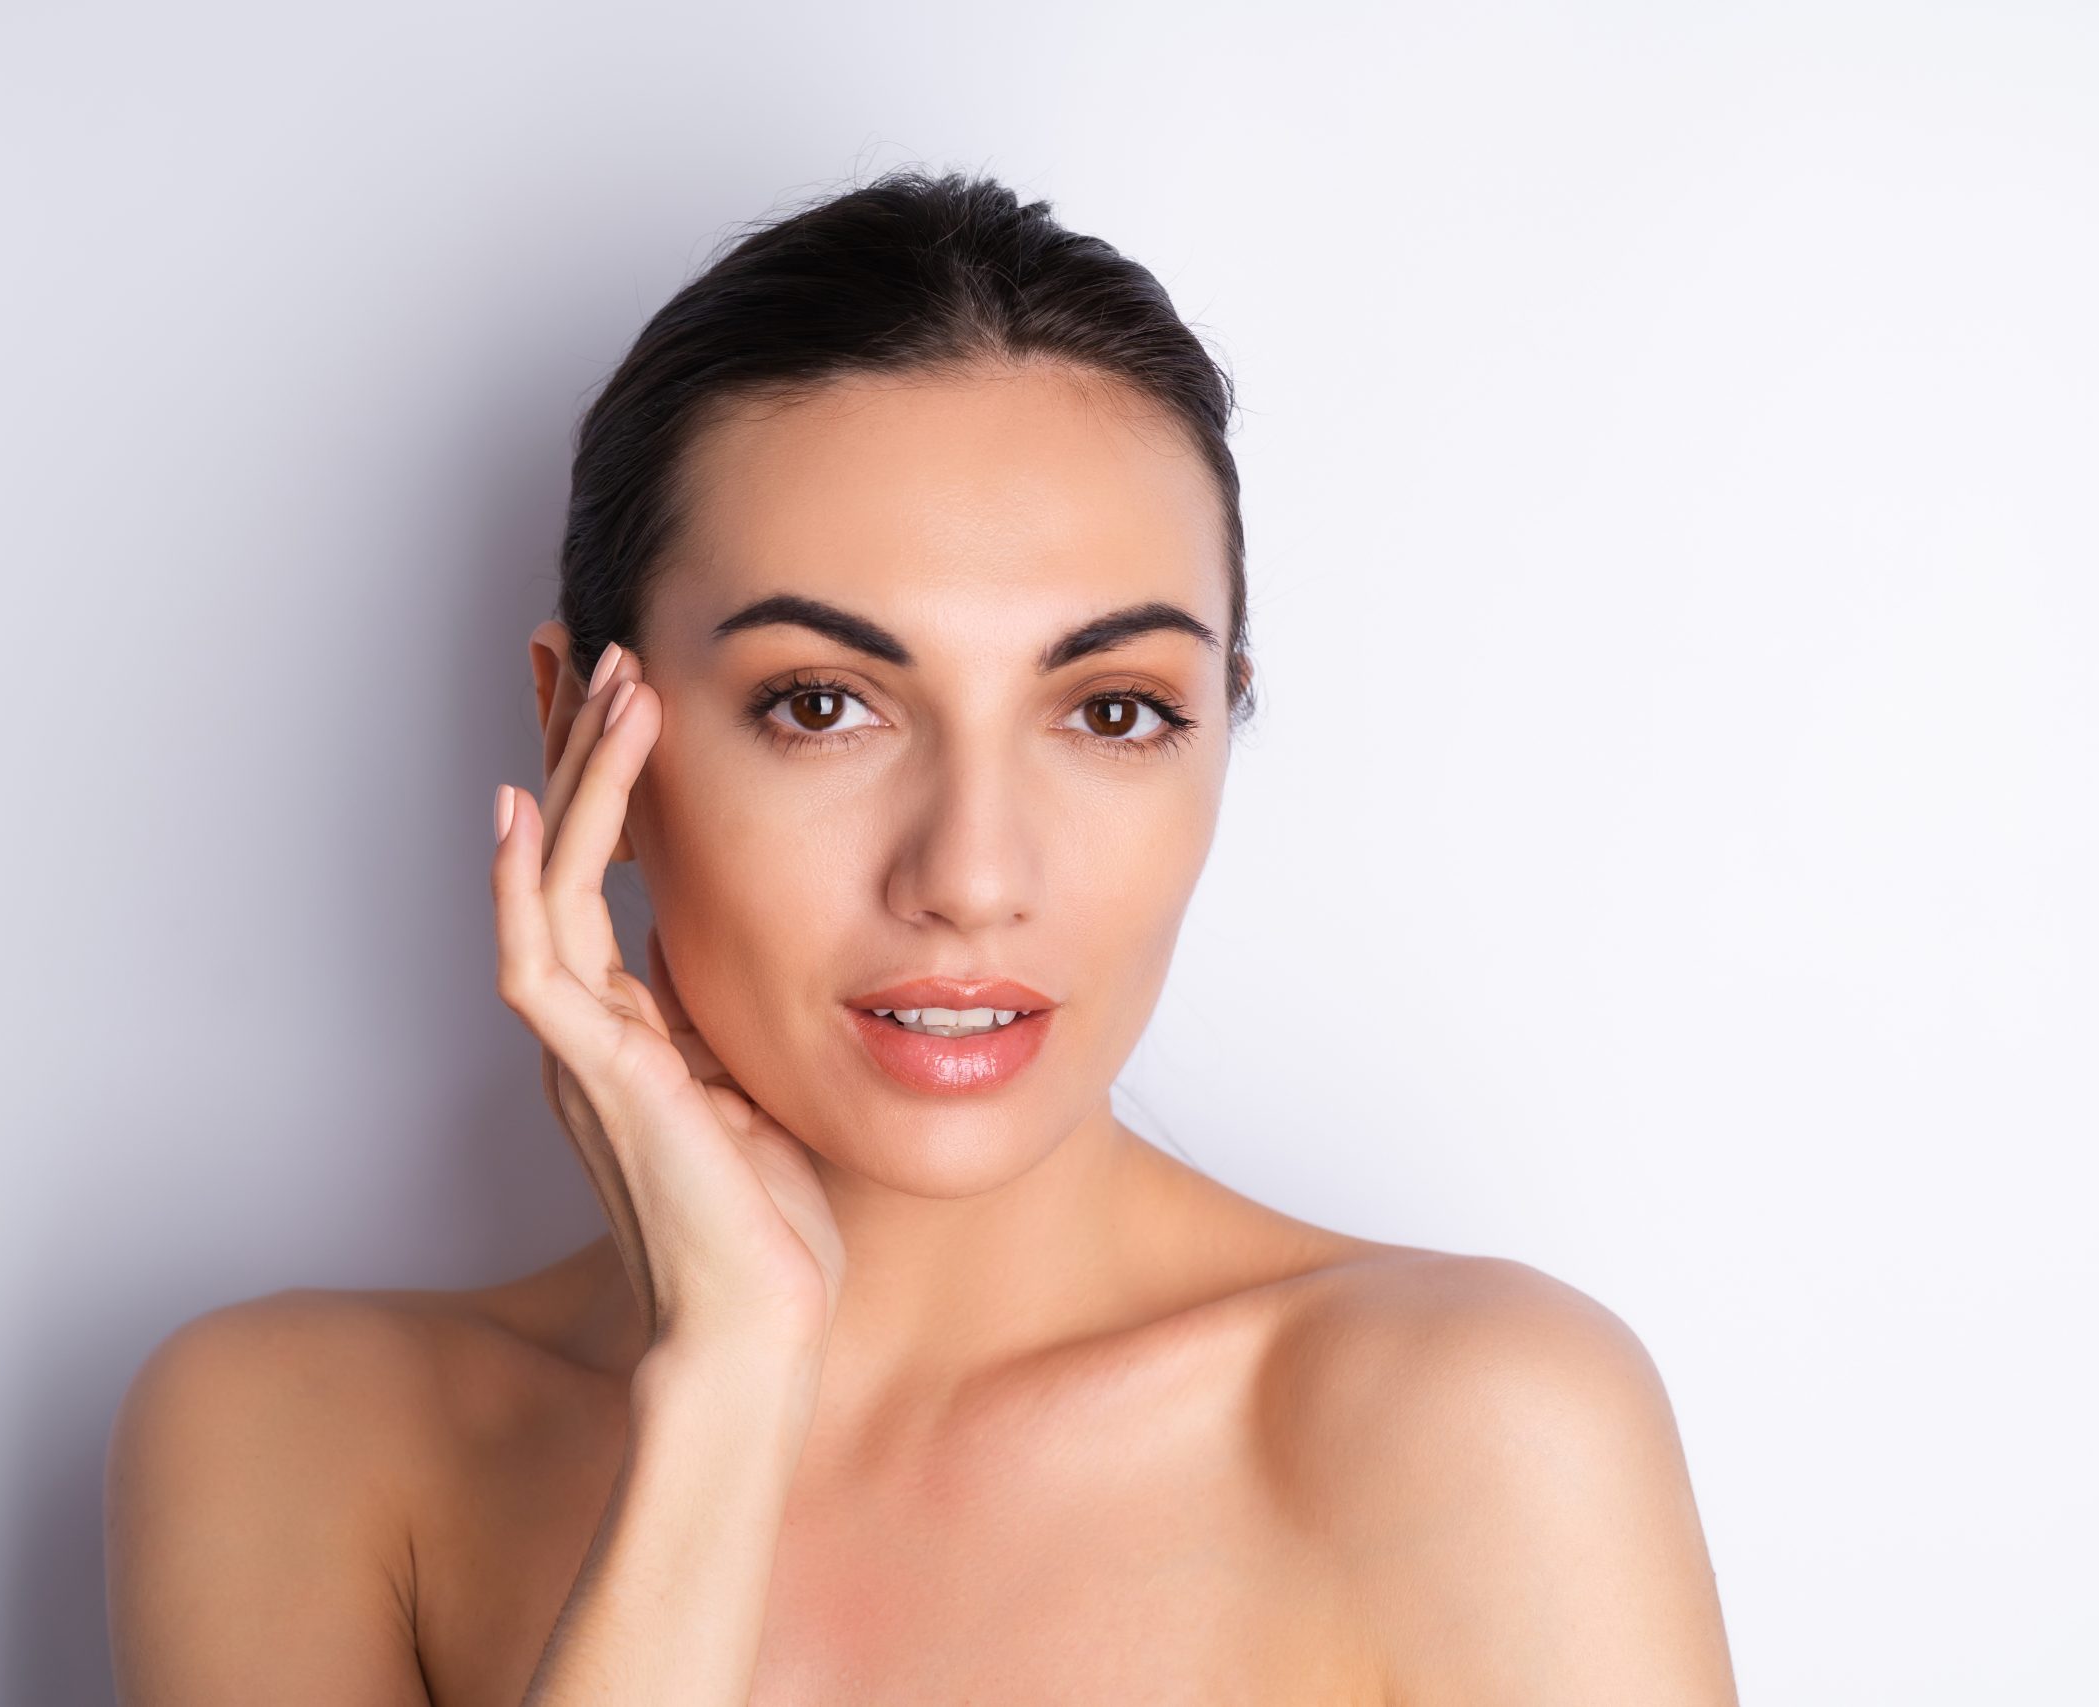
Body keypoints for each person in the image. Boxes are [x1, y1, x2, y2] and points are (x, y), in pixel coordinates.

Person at [103, 167, 1740, 1705]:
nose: (970, 872)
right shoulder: (303, 1438)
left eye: (1111, 709)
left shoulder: (1477, 1429)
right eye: (823, 706)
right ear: (585, 730)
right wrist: (729, 1388)